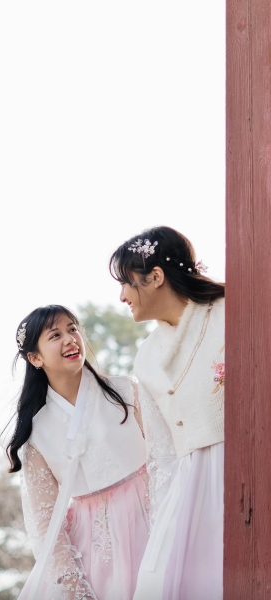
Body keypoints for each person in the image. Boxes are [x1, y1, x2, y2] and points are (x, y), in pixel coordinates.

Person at [5, 305, 151, 600]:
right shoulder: (37, 433)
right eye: (55, 335)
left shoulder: (126, 392)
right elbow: (45, 522)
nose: (70, 339)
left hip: (148, 519)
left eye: (73, 329)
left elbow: (164, 458)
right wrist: (72, 585)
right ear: (35, 358)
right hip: (90, 547)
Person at [112, 228, 225, 600]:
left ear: (155, 277)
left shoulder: (230, 312)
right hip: (187, 487)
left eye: (127, 283)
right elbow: (161, 452)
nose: (122, 295)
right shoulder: (145, 358)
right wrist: (165, 520)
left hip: (242, 468)